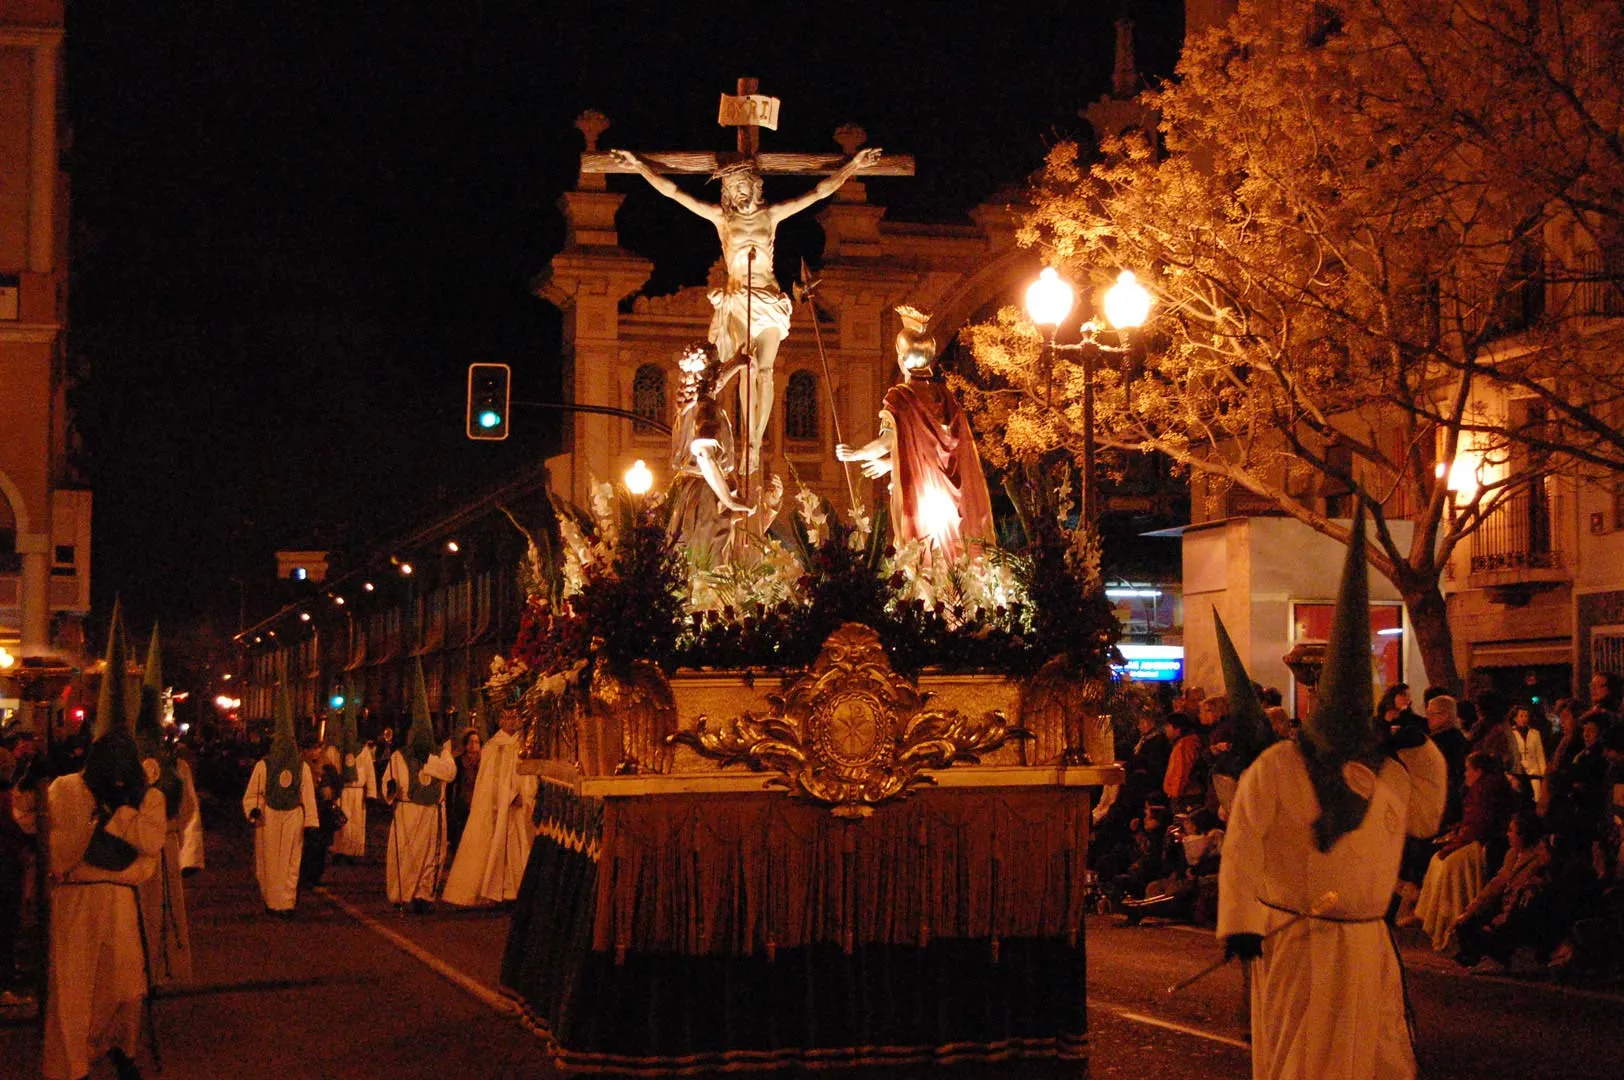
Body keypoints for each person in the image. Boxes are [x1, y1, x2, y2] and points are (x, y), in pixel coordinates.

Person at [1218, 513, 1447, 1080]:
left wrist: (1420, 751)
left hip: (1369, 944)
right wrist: (1240, 921)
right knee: (1307, 1054)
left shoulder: (1387, 772)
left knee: (1377, 1054)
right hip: (1303, 940)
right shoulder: (1278, 766)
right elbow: (1243, 846)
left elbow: (1424, 819)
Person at [612, 146, 882, 477]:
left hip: (768, 301)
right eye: (731, 188)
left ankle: (754, 441)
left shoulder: (771, 216)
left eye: (742, 186)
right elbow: (674, 193)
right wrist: (640, 164)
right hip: (738, 301)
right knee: (745, 368)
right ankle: (744, 442)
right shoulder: (722, 219)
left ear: (755, 186)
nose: (736, 193)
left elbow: (818, 192)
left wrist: (852, 165)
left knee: (766, 371)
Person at [44, 612, 168, 1080]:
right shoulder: (65, 790)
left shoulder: (147, 796)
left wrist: (118, 819)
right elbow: (59, 854)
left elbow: (148, 855)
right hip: (74, 901)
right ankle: (70, 1067)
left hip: (118, 899)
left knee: (124, 988)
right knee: (72, 991)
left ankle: (119, 1049)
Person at [837, 306, 994, 563]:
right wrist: (892, 462)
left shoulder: (900, 398)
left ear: (901, 360)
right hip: (949, 498)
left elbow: (890, 440)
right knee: (950, 554)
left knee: (921, 553)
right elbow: (933, 449)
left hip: (920, 496)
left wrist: (857, 453)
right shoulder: (945, 398)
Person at [132, 626, 196, 987]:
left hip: (136, 849)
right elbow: (186, 809)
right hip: (164, 843)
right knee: (162, 906)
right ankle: (161, 966)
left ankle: (145, 967)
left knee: (145, 909)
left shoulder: (124, 762)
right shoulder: (175, 765)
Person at [1412, 751, 1516, 951]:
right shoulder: (1478, 789)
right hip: (1472, 837)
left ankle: (1446, 919)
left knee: (1450, 863)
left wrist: (1455, 843)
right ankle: (1427, 916)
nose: (1466, 774)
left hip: (1482, 842)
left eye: (1468, 769)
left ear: (1478, 771)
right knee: (1436, 859)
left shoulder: (1486, 790)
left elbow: (1481, 824)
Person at [442, 706, 539, 908]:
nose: (512, 721)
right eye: (507, 717)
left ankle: (519, 891)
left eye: (515, 717)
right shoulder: (494, 747)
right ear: (500, 720)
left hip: (523, 807)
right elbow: (488, 782)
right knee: (499, 849)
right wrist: (507, 797)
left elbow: (530, 774)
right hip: (501, 807)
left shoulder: (525, 744)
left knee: (520, 848)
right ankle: (499, 890)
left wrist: (528, 794)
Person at [385, 666, 457, 913]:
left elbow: (450, 773)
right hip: (408, 812)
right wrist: (391, 790)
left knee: (432, 855)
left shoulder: (441, 754)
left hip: (433, 813)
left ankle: (425, 895)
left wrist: (427, 760)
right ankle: (402, 894)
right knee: (407, 855)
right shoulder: (399, 756)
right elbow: (389, 784)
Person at [241, 691, 318, 915]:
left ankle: (287, 902)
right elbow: (252, 794)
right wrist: (253, 810)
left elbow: (307, 795)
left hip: (293, 816)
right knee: (269, 860)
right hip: (269, 817)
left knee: (291, 861)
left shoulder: (301, 767)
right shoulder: (263, 766)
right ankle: (271, 899)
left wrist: (311, 822)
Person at [1450, 809, 1554, 973]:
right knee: (1468, 922)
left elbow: (1523, 893)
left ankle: (1500, 957)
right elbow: (1496, 884)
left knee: (1500, 930)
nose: (1508, 835)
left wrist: (1503, 916)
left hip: (1518, 913)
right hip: (1503, 909)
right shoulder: (1513, 854)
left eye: (1511, 831)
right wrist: (1471, 910)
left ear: (1523, 834)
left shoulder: (1538, 860)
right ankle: (1475, 955)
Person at [329, 696, 375, 864]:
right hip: (342, 790)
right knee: (341, 822)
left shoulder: (363, 751)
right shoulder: (336, 749)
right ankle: (339, 850)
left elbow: (369, 772)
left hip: (357, 792)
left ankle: (353, 852)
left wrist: (371, 793)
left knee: (356, 823)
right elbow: (331, 768)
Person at [445, 726, 482, 856]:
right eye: (471, 741)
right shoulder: (458, 761)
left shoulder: (483, 761)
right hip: (463, 801)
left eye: (476, 742)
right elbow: (451, 784)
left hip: (478, 801)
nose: (474, 745)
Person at [1507, 703, 1550, 803]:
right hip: (1518, 774)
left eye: (1526, 716)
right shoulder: (1511, 734)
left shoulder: (1535, 733)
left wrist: (1544, 776)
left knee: (1536, 800)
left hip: (1534, 774)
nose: (1524, 719)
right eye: (1521, 716)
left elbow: (1540, 755)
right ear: (1515, 718)